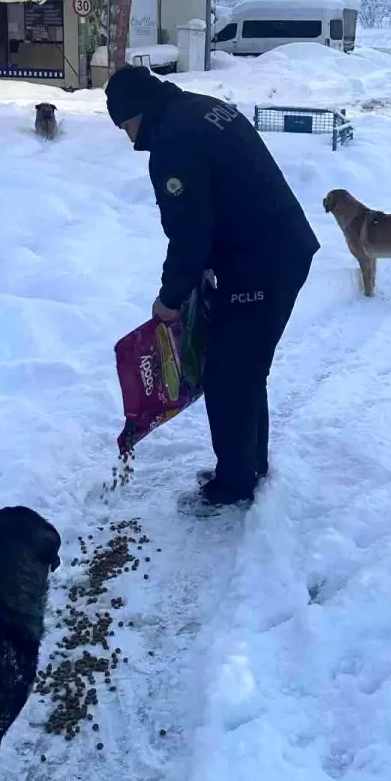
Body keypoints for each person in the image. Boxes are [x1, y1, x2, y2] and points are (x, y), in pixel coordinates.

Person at [105, 65, 319, 516]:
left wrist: (170, 299)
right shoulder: (199, 109)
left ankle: (235, 484)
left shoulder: (173, 143)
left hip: (261, 260)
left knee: (227, 372)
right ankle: (249, 466)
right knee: (243, 365)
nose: (127, 137)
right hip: (278, 247)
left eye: (124, 125)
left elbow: (189, 234)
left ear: (136, 113)